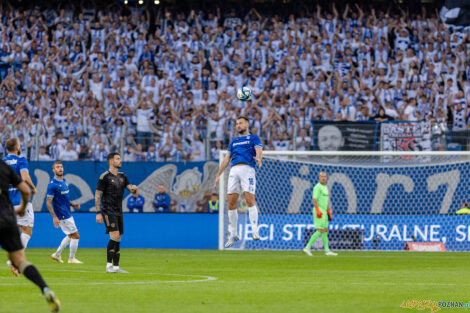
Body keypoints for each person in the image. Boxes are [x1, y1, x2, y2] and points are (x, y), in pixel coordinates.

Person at [0, 160, 60, 312]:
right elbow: (25, 190)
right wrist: (22, 207)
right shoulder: (5, 167)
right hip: (6, 217)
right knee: (20, 261)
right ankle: (45, 289)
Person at [214, 116, 263, 247]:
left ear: (247, 125)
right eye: (237, 124)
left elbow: (259, 150)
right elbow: (226, 159)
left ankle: (254, 230)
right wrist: (218, 175)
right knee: (231, 203)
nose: (238, 125)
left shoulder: (254, 138)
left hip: (247, 169)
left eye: (240, 123)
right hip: (233, 170)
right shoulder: (233, 141)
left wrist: (259, 158)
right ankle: (233, 234)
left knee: (249, 199)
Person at [95, 152, 138, 273]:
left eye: (120, 158)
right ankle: (108, 266)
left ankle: (116, 267)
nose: (120, 160)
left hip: (119, 211)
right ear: (111, 161)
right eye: (118, 159)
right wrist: (98, 213)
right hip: (108, 211)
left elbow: (131, 190)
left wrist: (134, 189)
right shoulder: (104, 177)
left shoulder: (122, 176)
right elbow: (97, 196)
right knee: (114, 235)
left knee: (118, 237)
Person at [3, 138, 36, 276]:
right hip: (20, 201)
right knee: (27, 230)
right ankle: (16, 261)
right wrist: (33, 188)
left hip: (7, 203)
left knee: (15, 232)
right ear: (17, 147)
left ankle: (13, 259)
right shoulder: (21, 159)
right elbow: (25, 177)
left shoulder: (3, 162)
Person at [46, 161, 83, 264]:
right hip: (62, 214)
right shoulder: (52, 185)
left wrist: (73, 205)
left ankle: (57, 255)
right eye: (57, 167)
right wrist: (54, 217)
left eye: (61, 167)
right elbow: (48, 202)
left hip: (67, 212)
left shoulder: (64, 181)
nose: (60, 169)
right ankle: (71, 259)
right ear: (53, 170)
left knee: (70, 236)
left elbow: (65, 198)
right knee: (76, 236)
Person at [303, 172, 337, 256]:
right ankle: (307, 248)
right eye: (321, 176)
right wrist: (317, 209)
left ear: (326, 177)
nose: (323, 178)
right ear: (319, 177)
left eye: (325, 176)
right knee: (320, 230)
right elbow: (314, 200)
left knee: (325, 230)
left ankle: (327, 251)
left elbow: (326, 201)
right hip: (319, 211)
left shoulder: (325, 187)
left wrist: (328, 211)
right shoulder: (317, 187)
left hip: (324, 211)